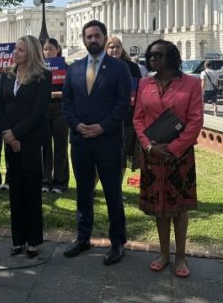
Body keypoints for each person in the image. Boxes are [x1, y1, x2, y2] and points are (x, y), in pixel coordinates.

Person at [62, 20, 131, 265]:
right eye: (88, 36)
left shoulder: (118, 68)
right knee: (83, 192)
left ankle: (117, 242)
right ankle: (83, 238)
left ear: (104, 38)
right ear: (83, 39)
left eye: (97, 36)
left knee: (112, 193)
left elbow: (123, 103)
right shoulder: (74, 68)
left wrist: (103, 127)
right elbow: (67, 102)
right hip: (80, 140)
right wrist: (77, 125)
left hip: (108, 141)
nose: (93, 40)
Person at [133, 40, 203, 279]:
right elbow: (138, 119)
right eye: (150, 54)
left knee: (179, 208)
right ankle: (163, 253)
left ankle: (180, 256)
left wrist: (173, 148)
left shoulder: (192, 84)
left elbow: (195, 121)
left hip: (179, 156)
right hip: (152, 155)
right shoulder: (144, 83)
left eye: (159, 55)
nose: (153, 59)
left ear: (172, 57)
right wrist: (149, 146)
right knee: (159, 208)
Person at [0, 36, 51, 258]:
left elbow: (39, 113)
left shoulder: (43, 77)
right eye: (15, 49)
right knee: (15, 192)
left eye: (20, 49)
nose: (15, 53)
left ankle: (33, 241)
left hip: (30, 141)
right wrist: (8, 134)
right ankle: (17, 239)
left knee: (31, 192)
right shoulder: (7, 76)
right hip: (10, 142)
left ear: (30, 52)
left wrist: (17, 133)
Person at [106, 36, 143, 180]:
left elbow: (138, 90)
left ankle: (117, 189)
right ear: (106, 49)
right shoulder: (100, 66)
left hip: (127, 118)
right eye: (111, 47)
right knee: (101, 155)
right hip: (104, 118)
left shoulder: (132, 67)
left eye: (117, 46)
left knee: (121, 156)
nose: (114, 49)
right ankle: (92, 188)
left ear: (122, 49)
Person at [42, 38, 69, 194]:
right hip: (44, 111)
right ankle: (45, 180)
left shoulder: (65, 67)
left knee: (60, 147)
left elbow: (69, 91)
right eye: (45, 49)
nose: (48, 52)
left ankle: (60, 182)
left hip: (61, 110)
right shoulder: (40, 68)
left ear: (57, 49)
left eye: (51, 49)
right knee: (45, 147)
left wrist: (52, 94)